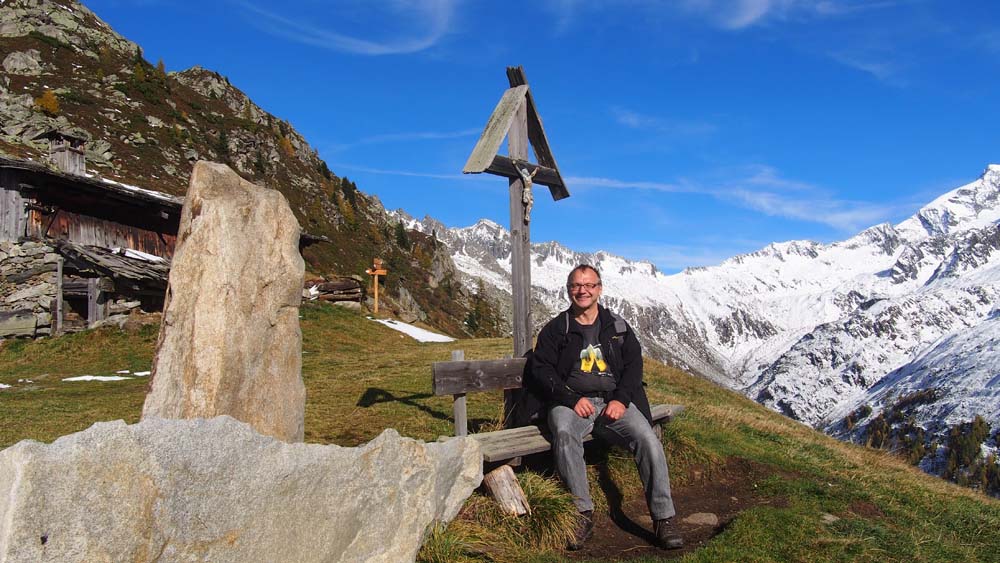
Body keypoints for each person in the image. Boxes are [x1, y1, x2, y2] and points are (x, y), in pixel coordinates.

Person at [530, 264, 682, 551]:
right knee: (564, 433)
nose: (582, 291)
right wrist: (570, 398)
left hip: (614, 402)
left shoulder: (617, 327)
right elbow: (542, 370)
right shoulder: (556, 329)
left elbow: (634, 367)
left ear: (599, 289)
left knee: (648, 439)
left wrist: (620, 400)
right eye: (576, 285)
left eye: (589, 285)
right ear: (568, 290)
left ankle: (664, 518)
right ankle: (581, 514)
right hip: (571, 403)